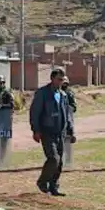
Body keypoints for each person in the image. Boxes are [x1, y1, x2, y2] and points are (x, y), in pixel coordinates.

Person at [30, 67, 74, 196]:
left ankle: (54, 186)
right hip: (47, 131)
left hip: (60, 132)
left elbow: (68, 114)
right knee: (54, 158)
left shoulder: (63, 95)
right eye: (59, 79)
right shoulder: (42, 93)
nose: (61, 82)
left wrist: (70, 130)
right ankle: (42, 182)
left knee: (60, 161)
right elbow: (35, 112)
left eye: (62, 80)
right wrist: (36, 130)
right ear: (52, 79)